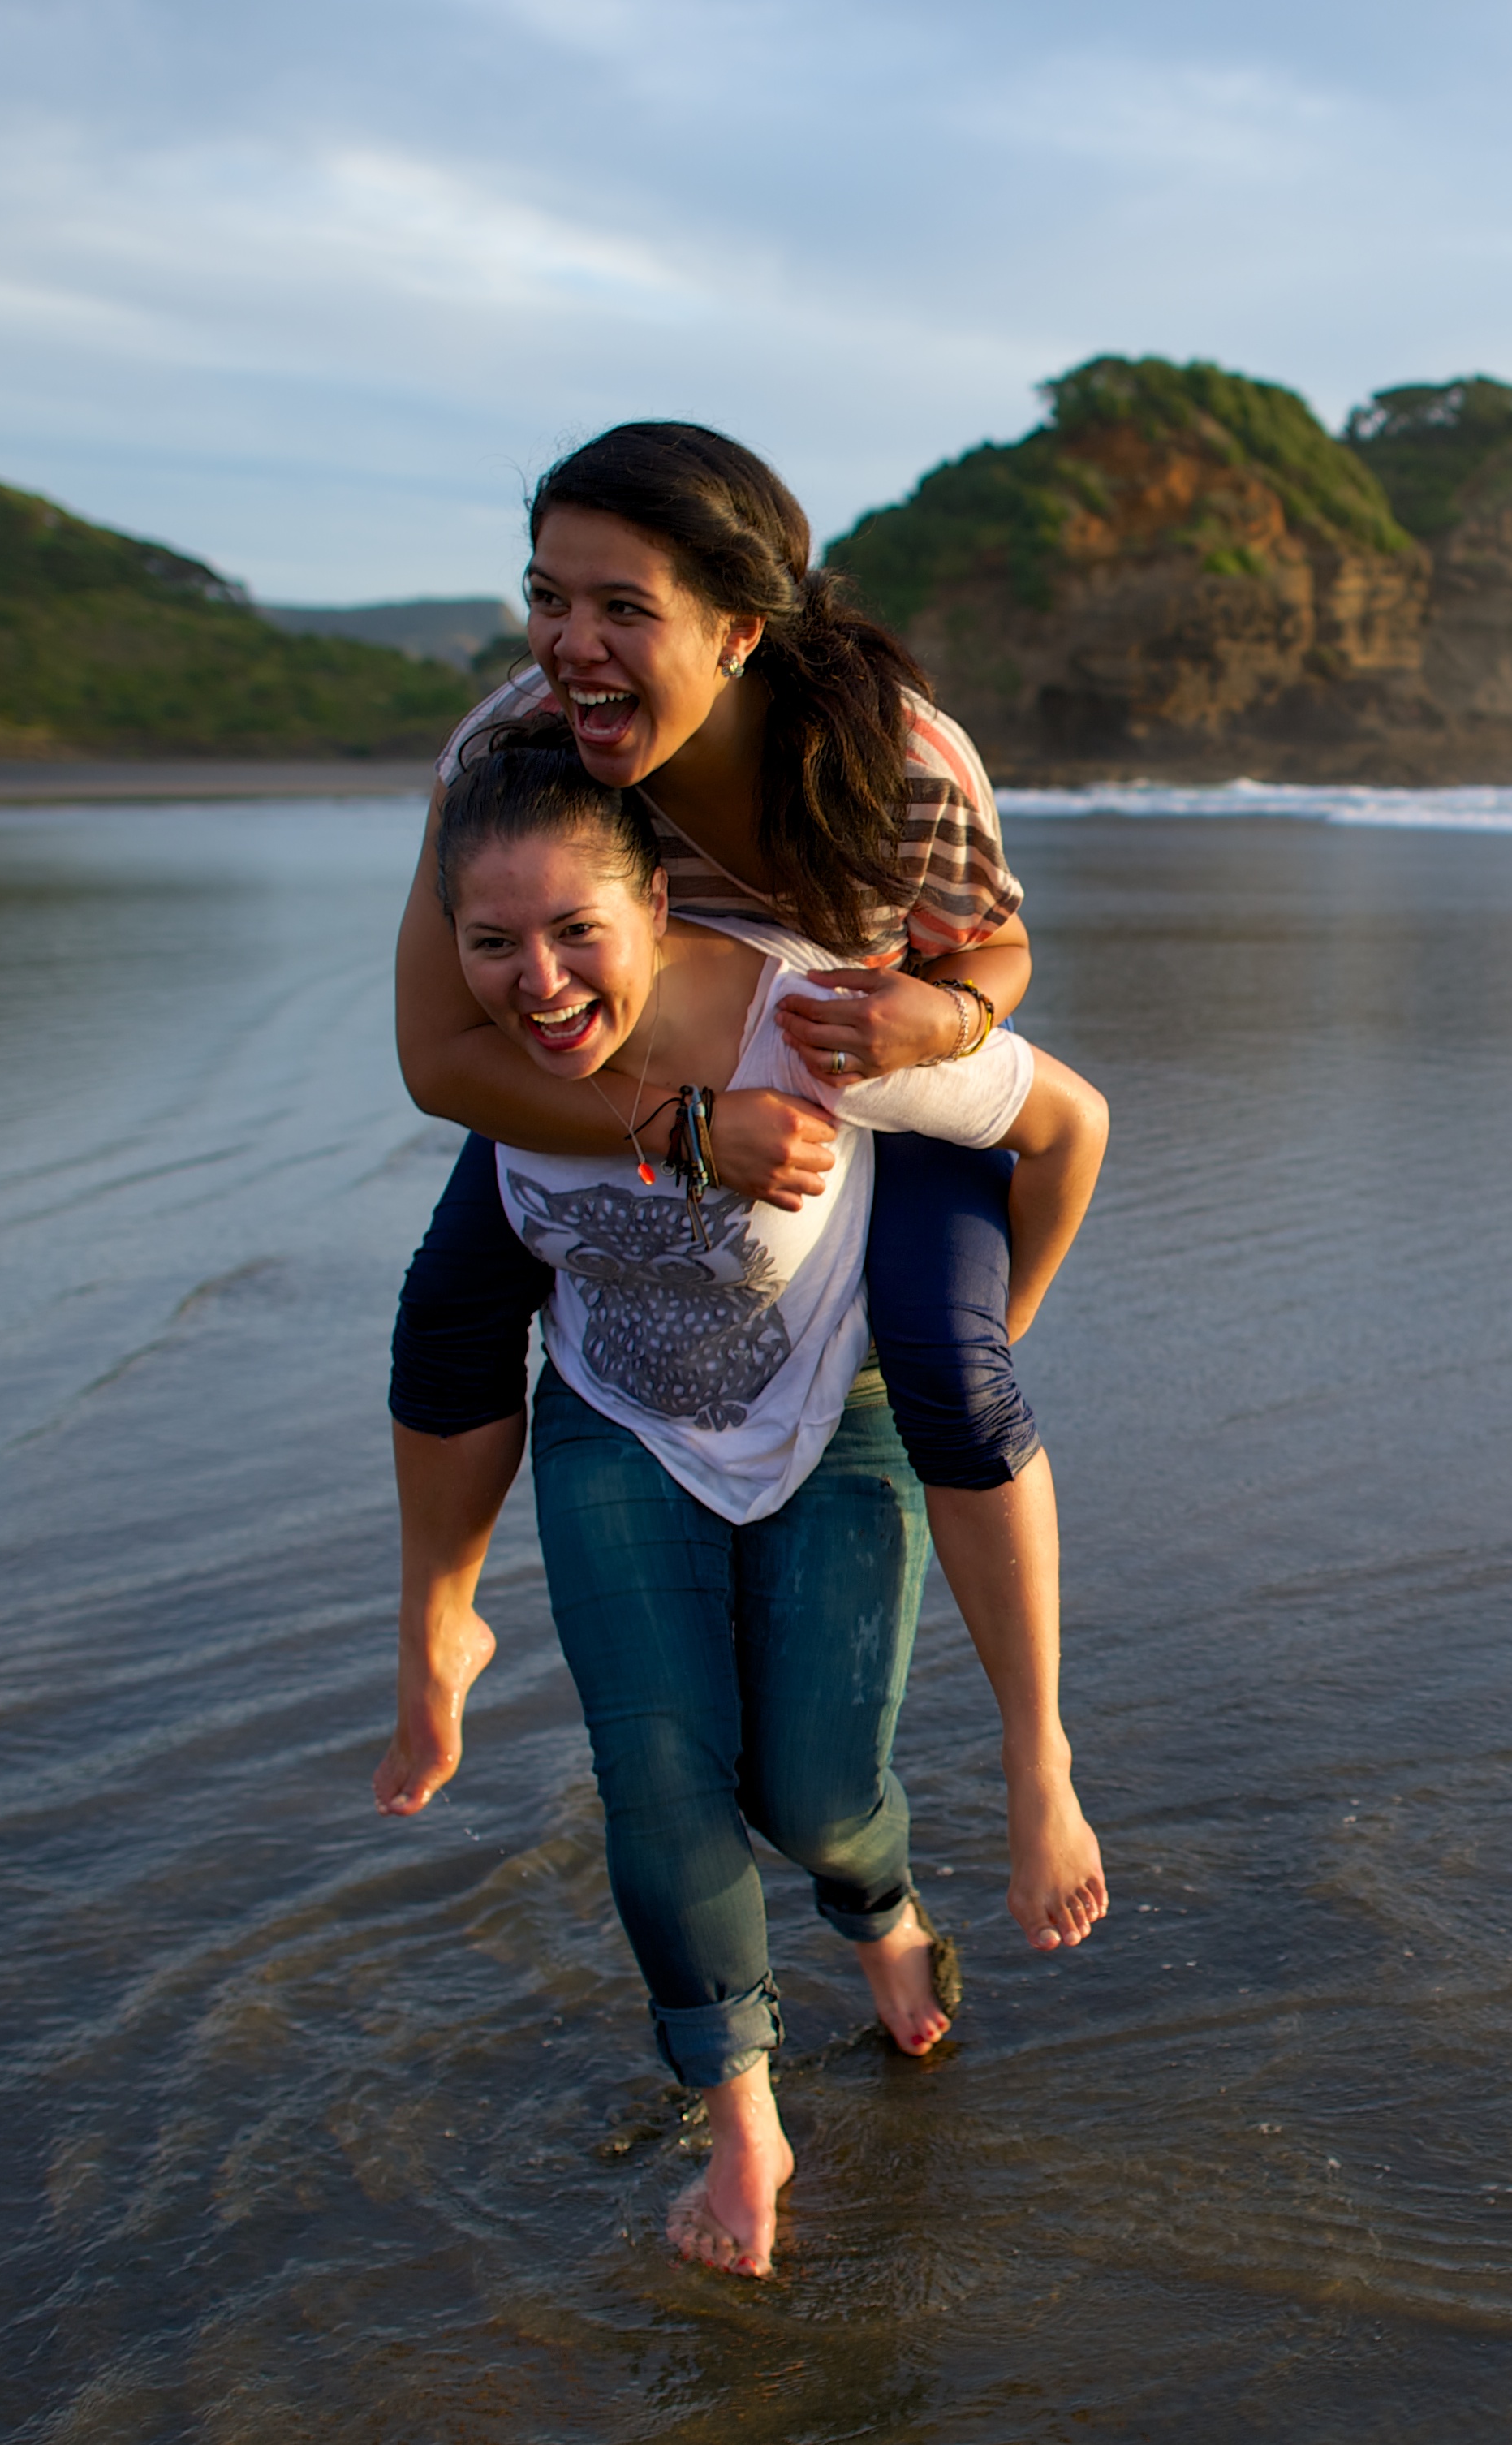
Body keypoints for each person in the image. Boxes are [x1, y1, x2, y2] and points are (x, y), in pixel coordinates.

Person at [374, 741, 1109, 2275]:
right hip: (614, 1428)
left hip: (835, 1432)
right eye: (491, 943)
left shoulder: (818, 1026)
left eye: (580, 930)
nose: (539, 980)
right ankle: (742, 2121)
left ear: (659, 901)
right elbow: (458, 1333)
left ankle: (882, 1909)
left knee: (818, 1796)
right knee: (656, 1773)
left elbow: (1067, 1126)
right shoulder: (492, 1058)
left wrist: (996, 1328)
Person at [377, 422, 1105, 1964]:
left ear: (737, 628)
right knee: (451, 1298)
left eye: (619, 607)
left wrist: (947, 1017)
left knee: (949, 1371)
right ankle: (437, 1622)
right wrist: (683, 1127)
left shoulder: (894, 761)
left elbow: (998, 950)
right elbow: (441, 1051)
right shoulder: (513, 751)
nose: (570, 646)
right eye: (545, 595)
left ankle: (1036, 1761)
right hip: (630, 1065)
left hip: (859, 1074)